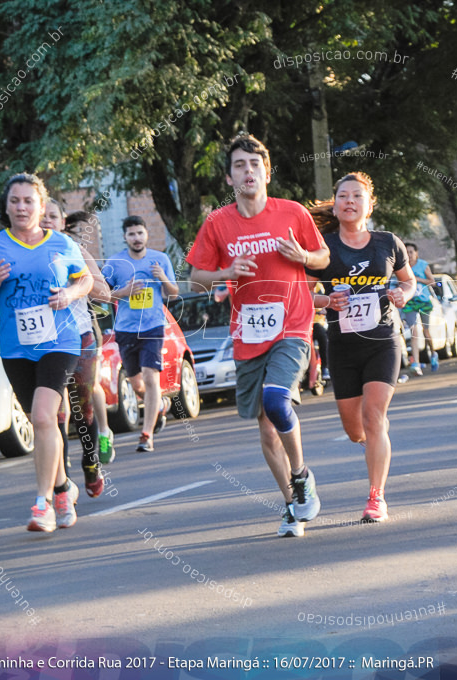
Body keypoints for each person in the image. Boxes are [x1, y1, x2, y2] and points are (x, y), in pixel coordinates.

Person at [187, 133, 329, 538]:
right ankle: (291, 503)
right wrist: (225, 274)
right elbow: (196, 276)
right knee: (266, 427)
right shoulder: (218, 222)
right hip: (249, 332)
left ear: (267, 171)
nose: (248, 171)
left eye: (254, 165)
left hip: (293, 324)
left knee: (276, 399)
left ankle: (301, 475)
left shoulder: (292, 213)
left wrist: (303, 257)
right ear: (230, 178)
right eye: (239, 166)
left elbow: (323, 257)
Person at [0, 173, 93, 532]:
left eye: (29, 201)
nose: (22, 207)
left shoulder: (62, 244)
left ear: (41, 205)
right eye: (15, 201)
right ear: (6, 207)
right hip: (17, 348)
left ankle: (43, 505)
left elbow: (85, 280)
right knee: (43, 423)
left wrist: (69, 294)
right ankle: (64, 486)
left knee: (41, 417)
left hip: (60, 341)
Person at [306, 172, 415, 522]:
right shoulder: (323, 248)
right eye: (343, 196)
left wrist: (403, 294)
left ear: (369, 205)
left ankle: (375, 497)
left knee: (374, 416)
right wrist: (326, 301)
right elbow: (304, 296)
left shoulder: (387, 242)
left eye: (357, 196)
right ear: (335, 206)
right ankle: (373, 444)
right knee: (356, 430)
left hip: (383, 341)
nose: (350, 201)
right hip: (342, 346)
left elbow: (408, 281)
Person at [41, 201, 112, 497]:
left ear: (63, 221)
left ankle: (91, 462)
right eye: (41, 215)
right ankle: (63, 483)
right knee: (54, 414)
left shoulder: (74, 250)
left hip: (80, 337)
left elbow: (104, 292)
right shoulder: (21, 252)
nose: (45, 221)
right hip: (42, 342)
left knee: (82, 410)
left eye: (52, 216)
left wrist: (77, 282)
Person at [101, 216, 179, 452]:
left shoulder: (160, 259)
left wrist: (162, 277)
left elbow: (173, 294)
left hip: (153, 327)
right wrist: (124, 291)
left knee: (150, 375)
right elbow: (102, 294)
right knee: (137, 384)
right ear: (125, 237)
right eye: (131, 234)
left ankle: (147, 435)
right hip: (125, 329)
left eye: (140, 233)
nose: (136, 238)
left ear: (146, 234)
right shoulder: (115, 263)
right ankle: (160, 406)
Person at [401, 243, 439, 376]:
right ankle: (415, 363)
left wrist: (418, 279)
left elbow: (432, 282)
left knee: (425, 331)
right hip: (410, 302)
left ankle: (433, 353)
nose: (409, 255)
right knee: (413, 331)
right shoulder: (401, 266)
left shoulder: (423, 265)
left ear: (416, 253)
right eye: (407, 252)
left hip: (423, 301)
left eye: (411, 252)